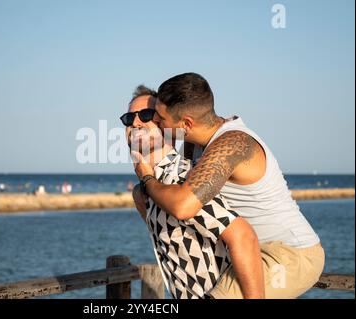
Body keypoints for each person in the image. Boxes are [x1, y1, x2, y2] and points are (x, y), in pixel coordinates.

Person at [133, 73, 325, 298]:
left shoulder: (233, 143)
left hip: (290, 254)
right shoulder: (193, 145)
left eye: (160, 118)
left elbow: (183, 206)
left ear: (186, 123)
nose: (156, 121)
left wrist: (147, 179)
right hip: (247, 254)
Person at [123, 85, 264, 299]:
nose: (135, 122)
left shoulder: (185, 179)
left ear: (164, 122)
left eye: (145, 115)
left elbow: (244, 237)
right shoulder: (143, 193)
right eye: (128, 118)